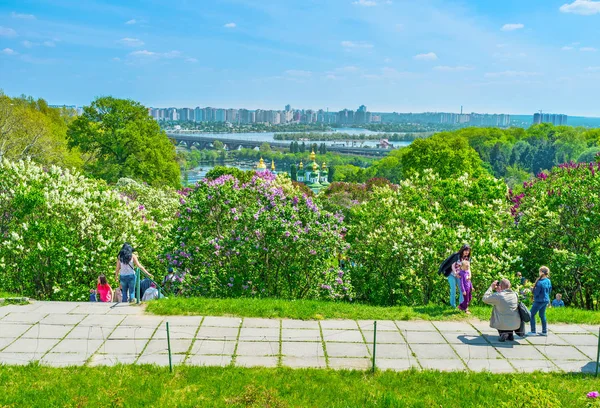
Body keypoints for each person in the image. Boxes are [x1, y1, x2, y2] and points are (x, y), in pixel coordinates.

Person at [527, 266, 552, 336]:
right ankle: (544, 331)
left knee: (531, 314)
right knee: (542, 315)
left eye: (539, 271)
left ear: (542, 272)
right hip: (546, 300)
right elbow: (549, 290)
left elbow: (536, 293)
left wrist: (531, 289)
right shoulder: (548, 281)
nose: (539, 273)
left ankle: (533, 331)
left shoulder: (539, 282)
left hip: (539, 301)